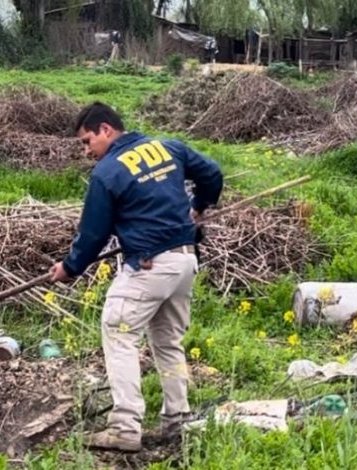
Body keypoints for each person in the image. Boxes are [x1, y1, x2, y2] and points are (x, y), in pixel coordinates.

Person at [49, 102, 223, 452]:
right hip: (185, 261)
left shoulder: (108, 172)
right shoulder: (168, 147)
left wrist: (69, 269)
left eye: (87, 141)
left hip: (150, 267)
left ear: (106, 130)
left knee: (117, 331)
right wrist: (199, 207)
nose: (86, 151)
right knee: (167, 342)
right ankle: (177, 419)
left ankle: (125, 426)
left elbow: (93, 233)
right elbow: (213, 173)